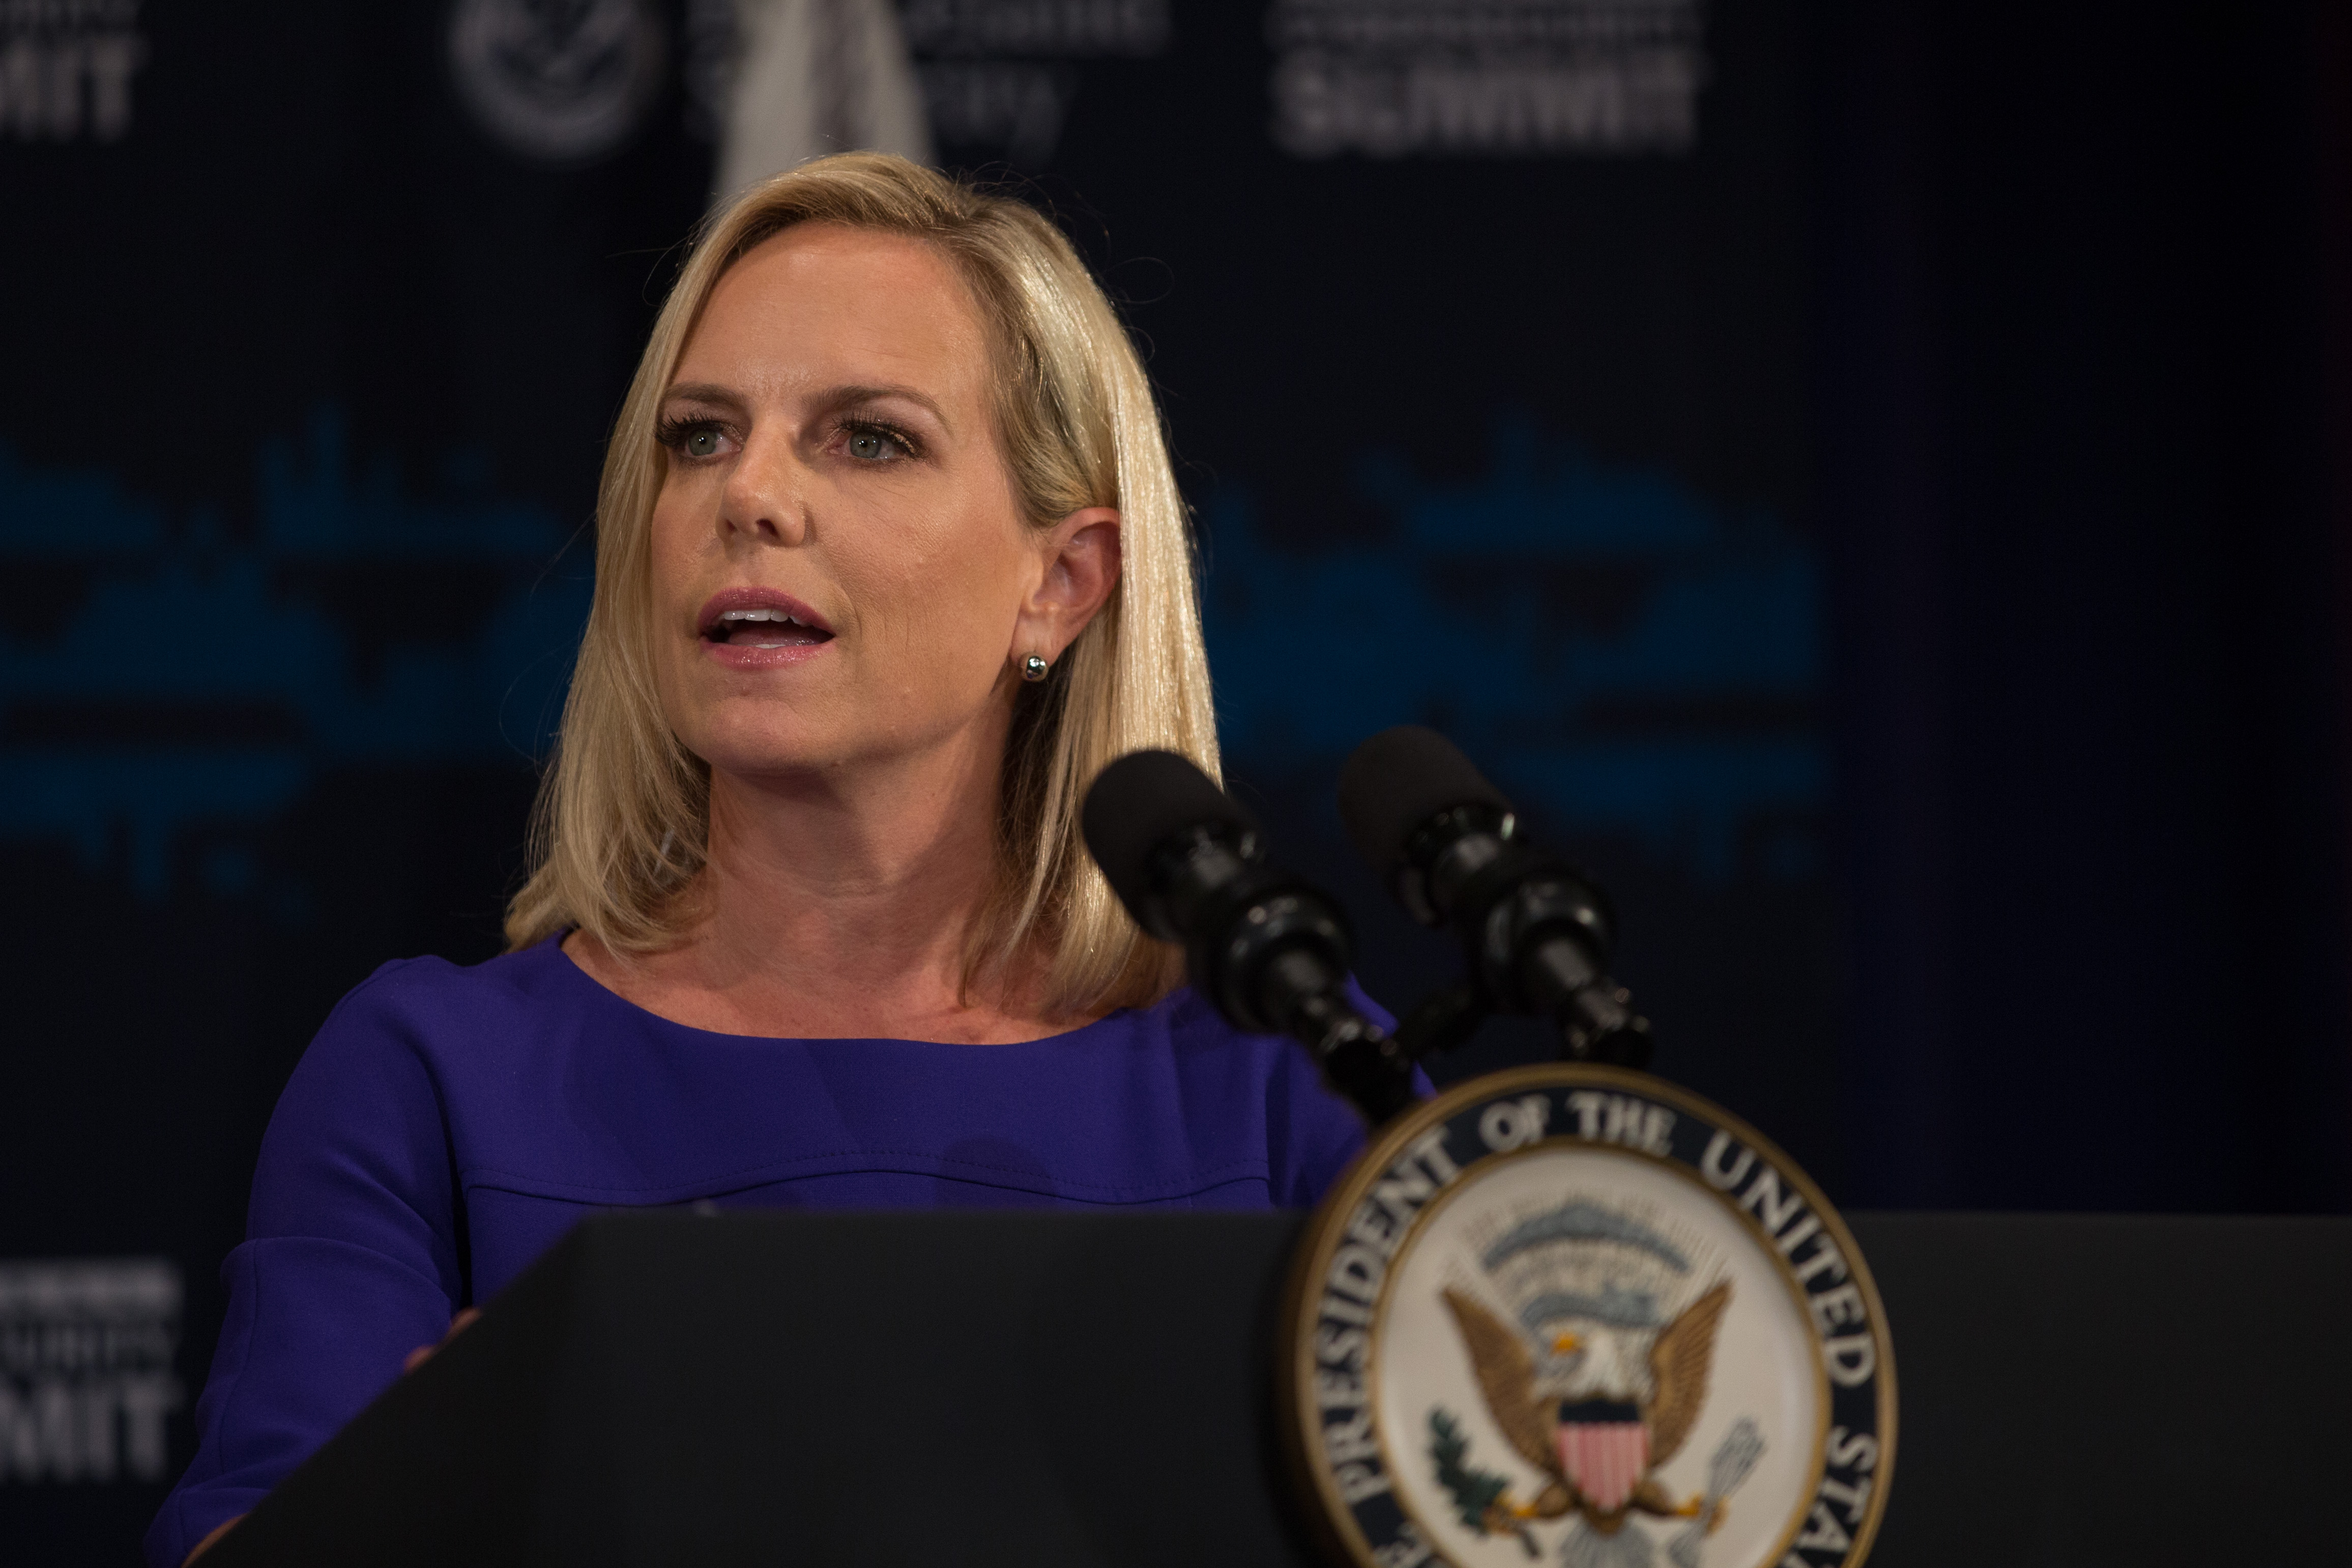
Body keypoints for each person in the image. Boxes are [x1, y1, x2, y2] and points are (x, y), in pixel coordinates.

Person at [146, 153, 1401, 1567]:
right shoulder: (431, 1081)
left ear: (1061, 581)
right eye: (698, 437)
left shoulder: (1287, 1079)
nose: (746, 495)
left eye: (868, 439)